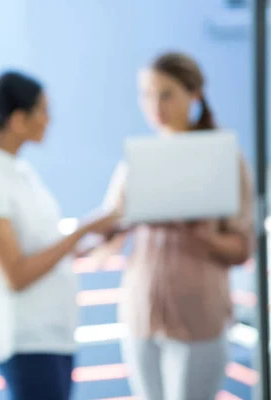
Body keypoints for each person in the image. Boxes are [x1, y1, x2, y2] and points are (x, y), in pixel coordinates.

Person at [0, 71, 119, 400]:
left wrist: (96, 238)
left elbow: (45, 250)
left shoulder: (22, 173)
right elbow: (16, 274)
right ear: (17, 119)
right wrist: (82, 229)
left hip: (55, 333)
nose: (48, 120)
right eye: (42, 110)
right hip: (25, 337)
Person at [97, 52, 254, 400]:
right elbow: (108, 229)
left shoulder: (225, 158)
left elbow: (242, 248)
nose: (155, 104)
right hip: (141, 314)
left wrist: (199, 235)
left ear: (194, 94)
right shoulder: (136, 163)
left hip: (198, 316)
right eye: (147, 94)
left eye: (166, 93)